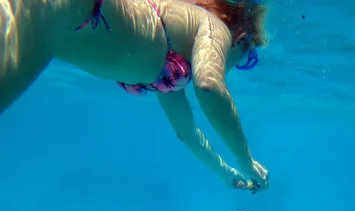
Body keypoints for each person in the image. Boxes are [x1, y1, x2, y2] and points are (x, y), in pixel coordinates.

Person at [0, 0, 270, 193]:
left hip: (62, 20)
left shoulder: (173, 59)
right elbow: (210, 86)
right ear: (242, 38)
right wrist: (247, 160)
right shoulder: (215, 28)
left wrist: (226, 173)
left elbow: (187, 133)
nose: (239, 63)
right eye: (249, 59)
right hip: (68, 11)